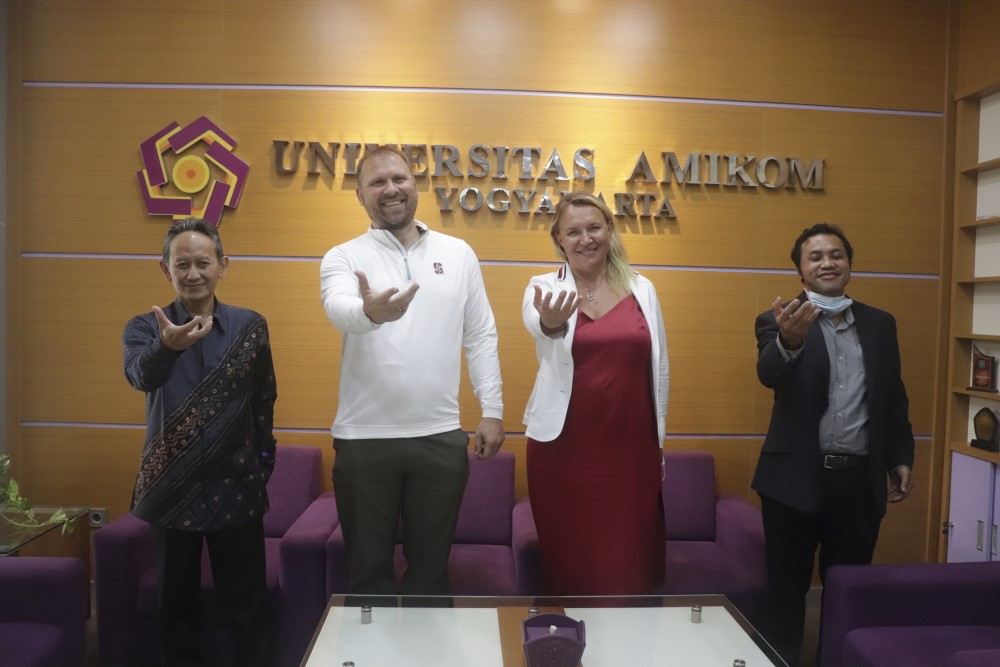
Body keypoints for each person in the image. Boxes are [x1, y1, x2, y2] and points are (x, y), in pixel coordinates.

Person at [319, 145, 505, 599]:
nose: (391, 189)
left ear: (415, 184)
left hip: (440, 438)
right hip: (364, 440)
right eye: (377, 182)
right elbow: (339, 309)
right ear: (360, 196)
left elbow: (480, 334)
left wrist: (493, 409)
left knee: (431, 578)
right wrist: (370, 313)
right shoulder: (342, 256)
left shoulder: (458, 253)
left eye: (399, 178)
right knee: (368, 579)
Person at [753, 223, 915, 666]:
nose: (827, 263)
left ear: (848, 264)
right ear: (801, 271)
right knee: (786, 590)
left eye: (836, 255)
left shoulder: (879, 324)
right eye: (816, 257)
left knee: (849, 589)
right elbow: (769, 374)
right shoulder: (779, 318)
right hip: (792, 479)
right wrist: (789, 341)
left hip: (858, 482)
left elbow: (892, 398)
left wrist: (900, 457)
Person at [123, 218, 278, 667]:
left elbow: (264, 400)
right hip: (170, 489)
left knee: (248, 607)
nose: (193, 274)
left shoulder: (249, 326)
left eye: (203, 263)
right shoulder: (144, 328)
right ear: (165, 269)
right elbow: (140, 376)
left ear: (222, 266)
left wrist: (261, 463)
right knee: (175, 609)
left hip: (238, 488)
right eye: (182, 264)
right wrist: (167, 347)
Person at [522, 191, 669, 596]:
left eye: (594, 228)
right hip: (562, 450)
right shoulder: (542, 287)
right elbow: (539, 324)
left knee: (627, 561)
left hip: (630, 450)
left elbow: (660, 368)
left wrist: (659, 439)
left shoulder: (642, 288)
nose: (585, 239)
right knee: (569, 558)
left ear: (609, 230)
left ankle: (627, 636)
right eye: (573, 232)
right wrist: (551, 322)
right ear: (559, 239)